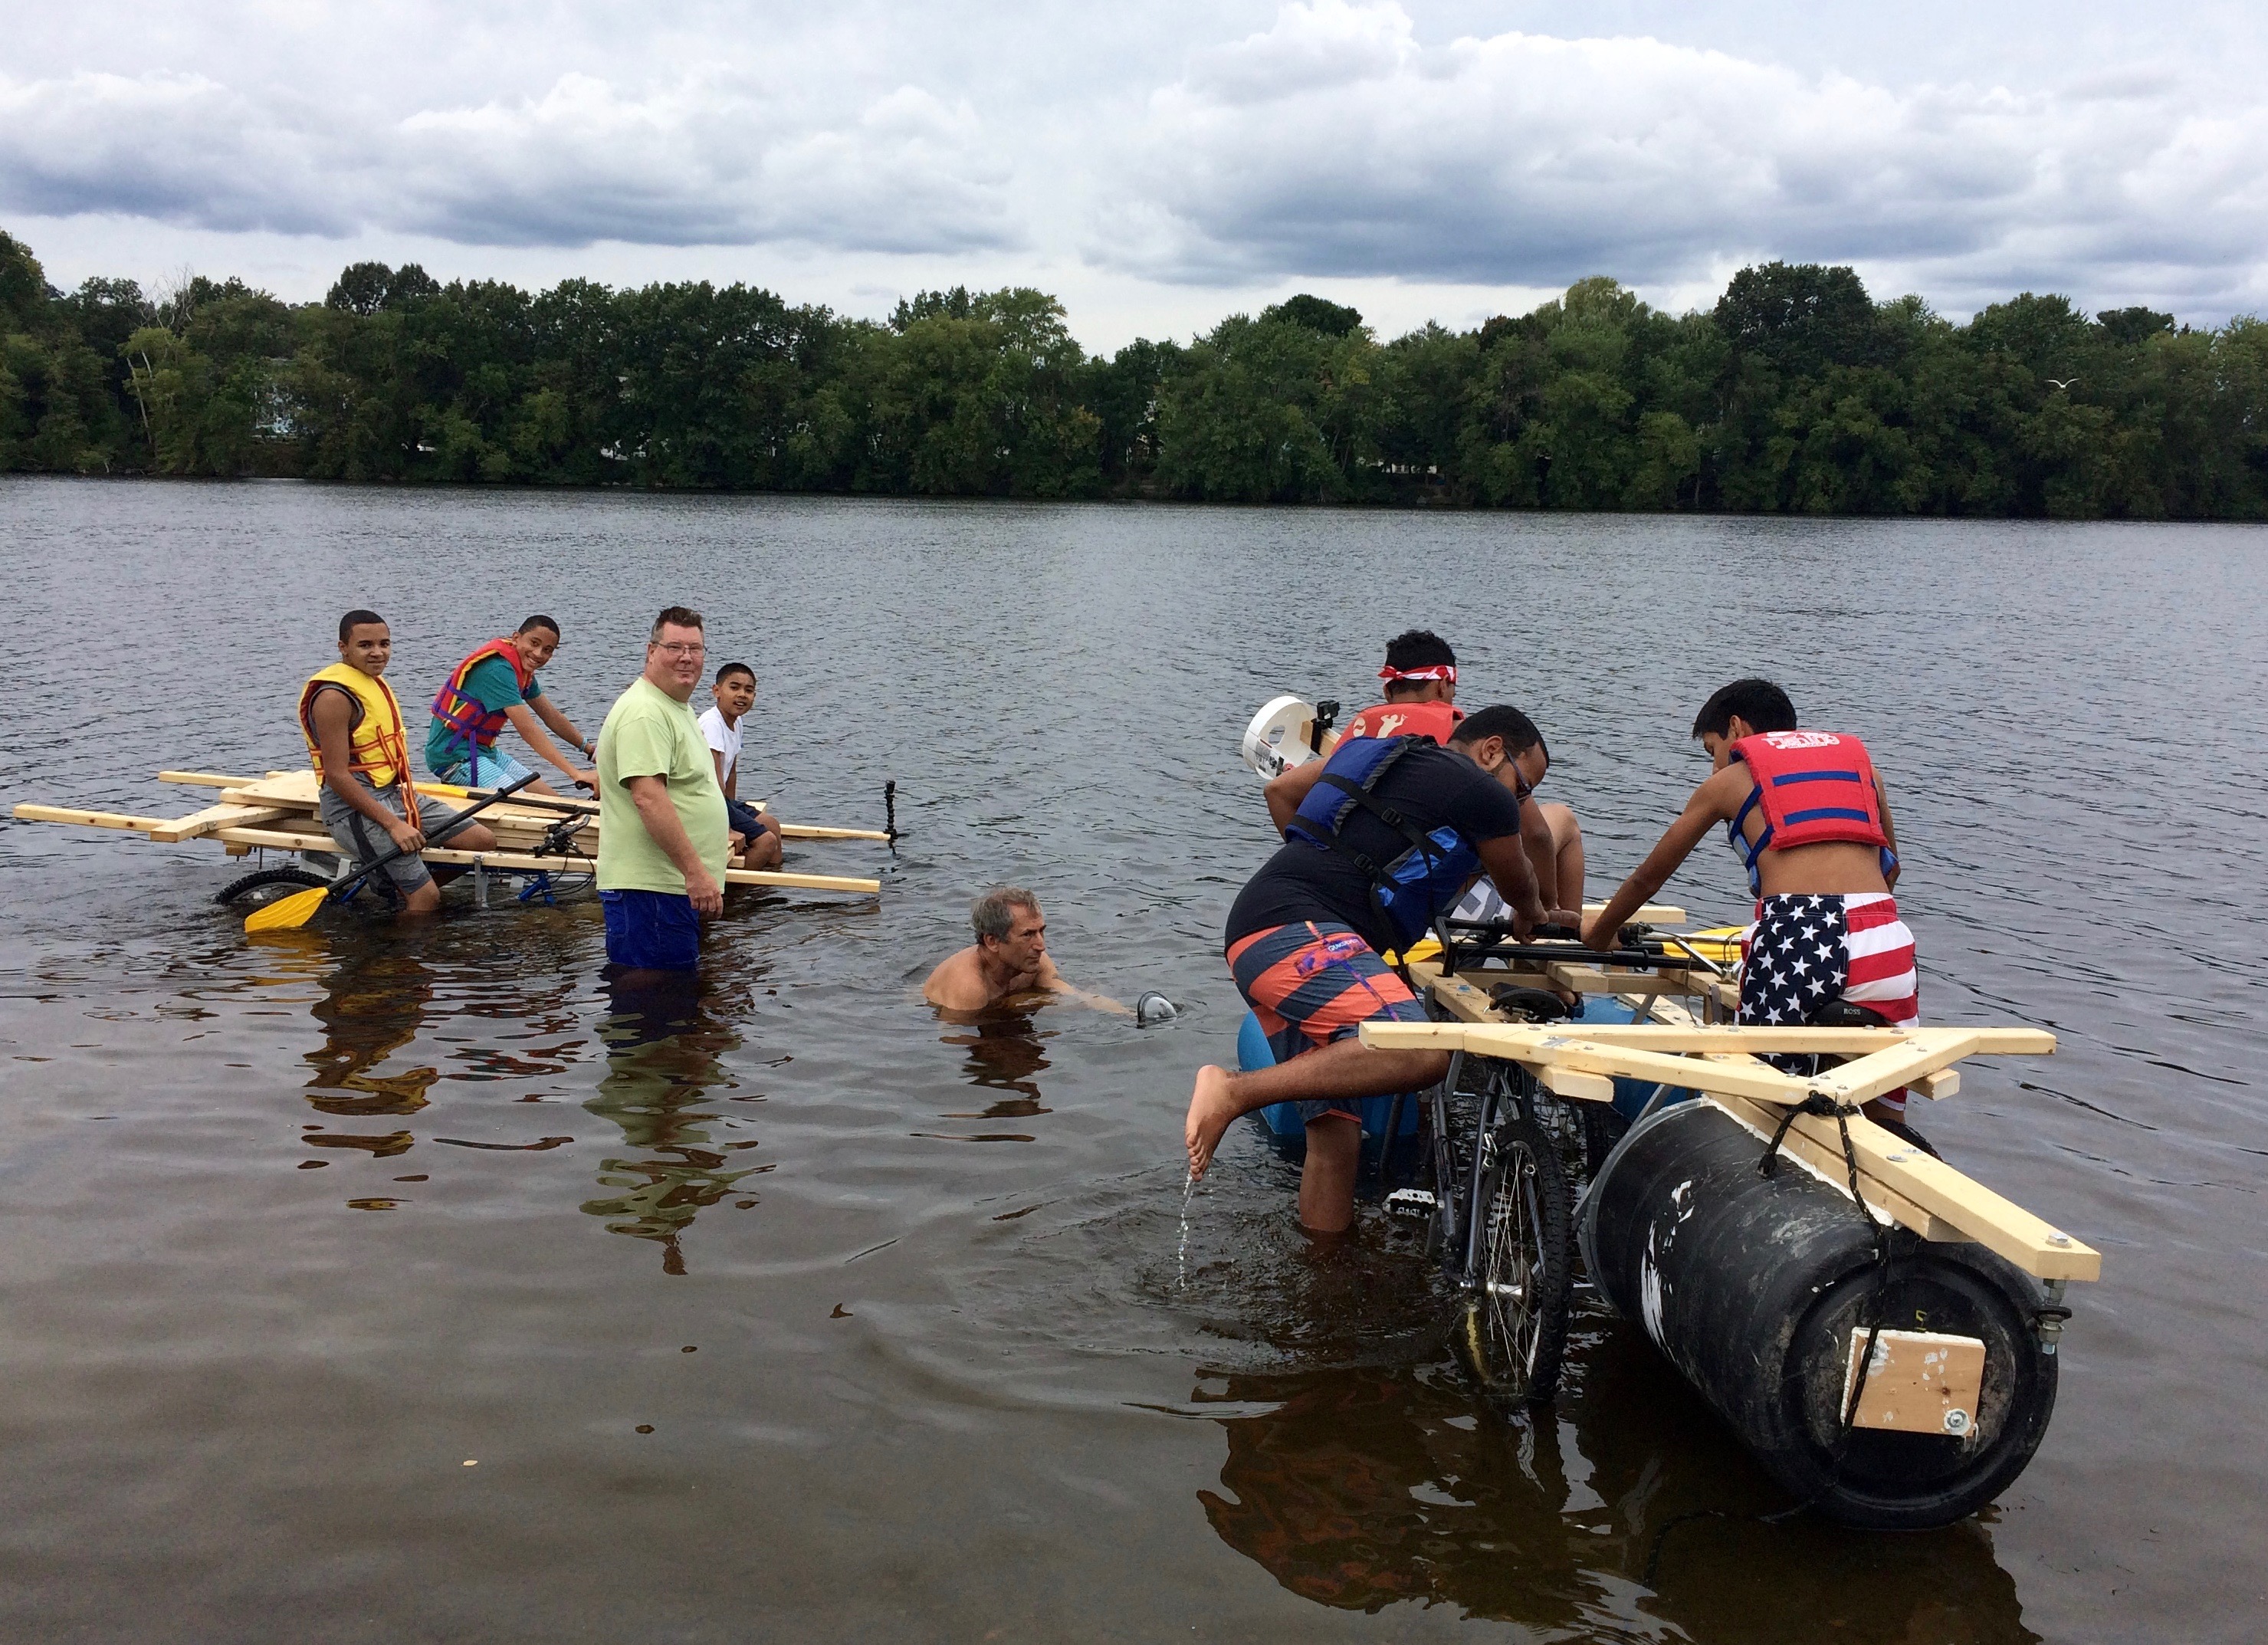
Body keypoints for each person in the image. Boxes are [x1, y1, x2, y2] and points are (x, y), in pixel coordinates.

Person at [1186, 707, 1554, 1233]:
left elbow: (1282, 792)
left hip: (1254, 929)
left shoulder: (1372, 751)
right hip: (1300, 933)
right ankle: (1234, 1091)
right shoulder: (1485, 795)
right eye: (1523, 787)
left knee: (1334, 1139)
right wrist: (1535, 914)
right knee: (1424, 1050)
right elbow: (1517, 885)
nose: (1521, 804)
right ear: (1492, 750)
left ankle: (1324, 1270)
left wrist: (1332, 870)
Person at [1581, 678, 1915, 1121]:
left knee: (1757, 1106)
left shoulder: (1730, 783)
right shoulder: (1861, 769)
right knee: (1885, 1119)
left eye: (1711, 751)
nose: (1713, 768)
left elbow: (1647, 880)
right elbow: (1891, 868)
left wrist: (1599, 935)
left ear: (1736, 729)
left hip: (1800, 940)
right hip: (1887, 942)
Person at [300, 609, 496, 918]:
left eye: (384, 644)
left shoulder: (371, 682)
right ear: (343, 647)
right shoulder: (333, 698)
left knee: (481, 841)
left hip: (392, 794)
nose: (377, 653)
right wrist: (394, 825)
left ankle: (394, 890)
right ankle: (394, 956)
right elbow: (337, 775)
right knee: (427, 899)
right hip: (351, 808)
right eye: (365, 645)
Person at [594, 607, 732, 974]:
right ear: (651, 651)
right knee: (652, 1002)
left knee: (672, 1004)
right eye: (674, 647)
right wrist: (696, 873)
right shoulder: (645, 712)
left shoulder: (676, 707)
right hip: (651, 891)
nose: (687, 658)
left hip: (669, 889)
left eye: (696, 649)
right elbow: (648, 798)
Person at [426, 616, 596, 797]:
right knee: (525, 802)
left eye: (547, 650)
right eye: (534, 643)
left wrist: (592, 752)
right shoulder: (497, 671)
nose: (538, 654)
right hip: (454, 758)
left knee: (554, 801)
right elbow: (528, 730)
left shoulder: (521, 671)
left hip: (484, 751)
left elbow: (551, 716)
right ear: (516, 638)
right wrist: (575, 773)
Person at [924, 888, 1126, 1014]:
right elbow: (958, 1043)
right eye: (1028, 935)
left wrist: (1129, 1014)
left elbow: (1070, 996)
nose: (1041, 946)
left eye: (1041, 932)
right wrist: (1017, 1003)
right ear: (993, 941)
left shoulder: (1036, 961)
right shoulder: (969, 988)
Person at [696, 662, 783, 872]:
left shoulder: (736, 721)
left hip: (719, 800)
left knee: (772, 826)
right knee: (766, 841)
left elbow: (731, 772)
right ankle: (735, 893)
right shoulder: (712, 724)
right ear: (717, 691)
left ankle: (770, 883)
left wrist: (732, 809)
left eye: (749, 690)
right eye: (734, 688)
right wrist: (725, 826)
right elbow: (714, 778)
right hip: (702, 801)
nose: (742, 695)